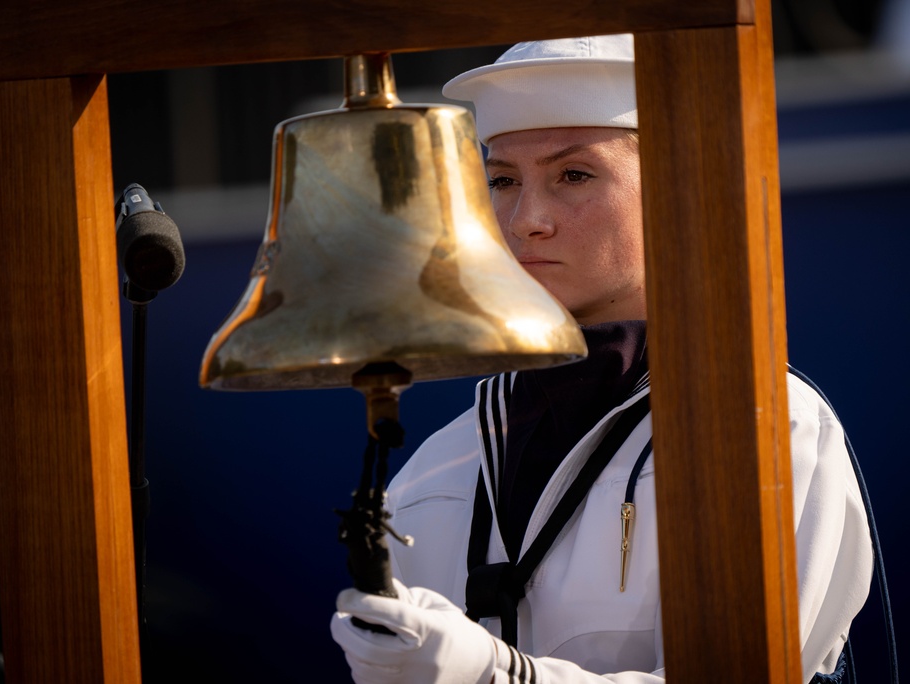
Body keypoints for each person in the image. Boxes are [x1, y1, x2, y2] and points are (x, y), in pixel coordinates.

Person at [331, 34, 873, 684]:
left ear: (673, 189)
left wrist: (498, 675)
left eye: (574, 175)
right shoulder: (428, 478)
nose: (527, 219)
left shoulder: (767, 425)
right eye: (502, 180)